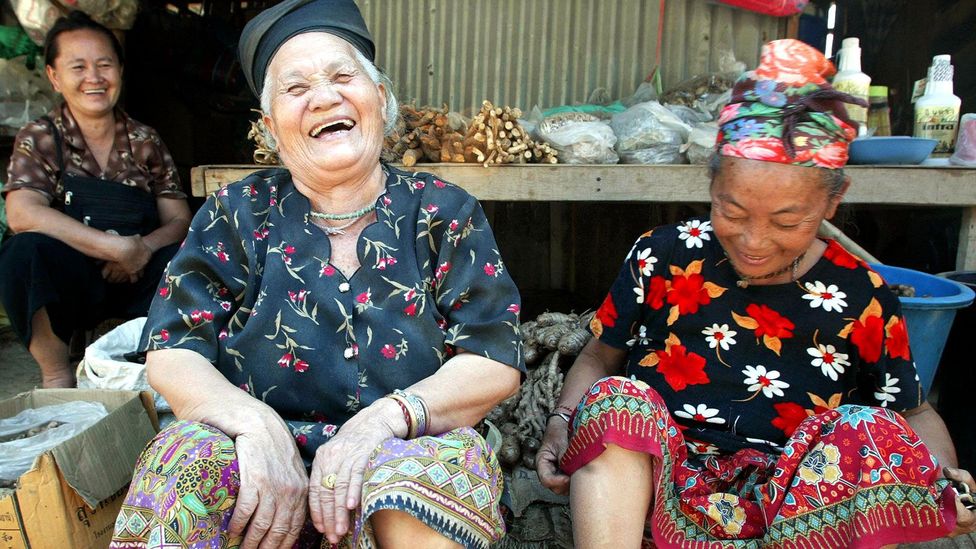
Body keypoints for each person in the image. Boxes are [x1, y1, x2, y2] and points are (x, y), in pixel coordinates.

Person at [108, 0, 523, 547]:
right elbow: (172, 348)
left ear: (381, 97)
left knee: (423, 481)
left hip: (406, 440)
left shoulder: (443, 211)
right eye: (296, 88)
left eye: (343, 77)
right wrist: (255, 425)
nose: (325, 97)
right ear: (270, 126)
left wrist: (381, 423)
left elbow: (492, 358)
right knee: (185, 460)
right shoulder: (237, 212)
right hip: (258, 451)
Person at [536, 39, 976, 548]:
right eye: (733, 212)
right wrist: (562, 420)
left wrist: (946, 475)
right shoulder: (662, 255)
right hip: (659, 486)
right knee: (617, 400)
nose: (754, 241)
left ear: (833, 202)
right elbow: (598, 356)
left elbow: (911, 411)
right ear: (711, 186)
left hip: (795, 509)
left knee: (865, 428)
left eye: (788, 221)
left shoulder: (863, 295)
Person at [0, 11, 191, 388]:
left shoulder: (144, 139)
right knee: (22, 255)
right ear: (54, 77)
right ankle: (57, 376)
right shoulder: (40, 136)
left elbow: (180, 219)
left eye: (104, 64)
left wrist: (140, 249)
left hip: (138, 274)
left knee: (187, 260)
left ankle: (163, 372)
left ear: (120, 69)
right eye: (78, 66)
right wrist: (112, 247)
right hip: (73, 281)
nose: (94, 78)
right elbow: (22, 212)